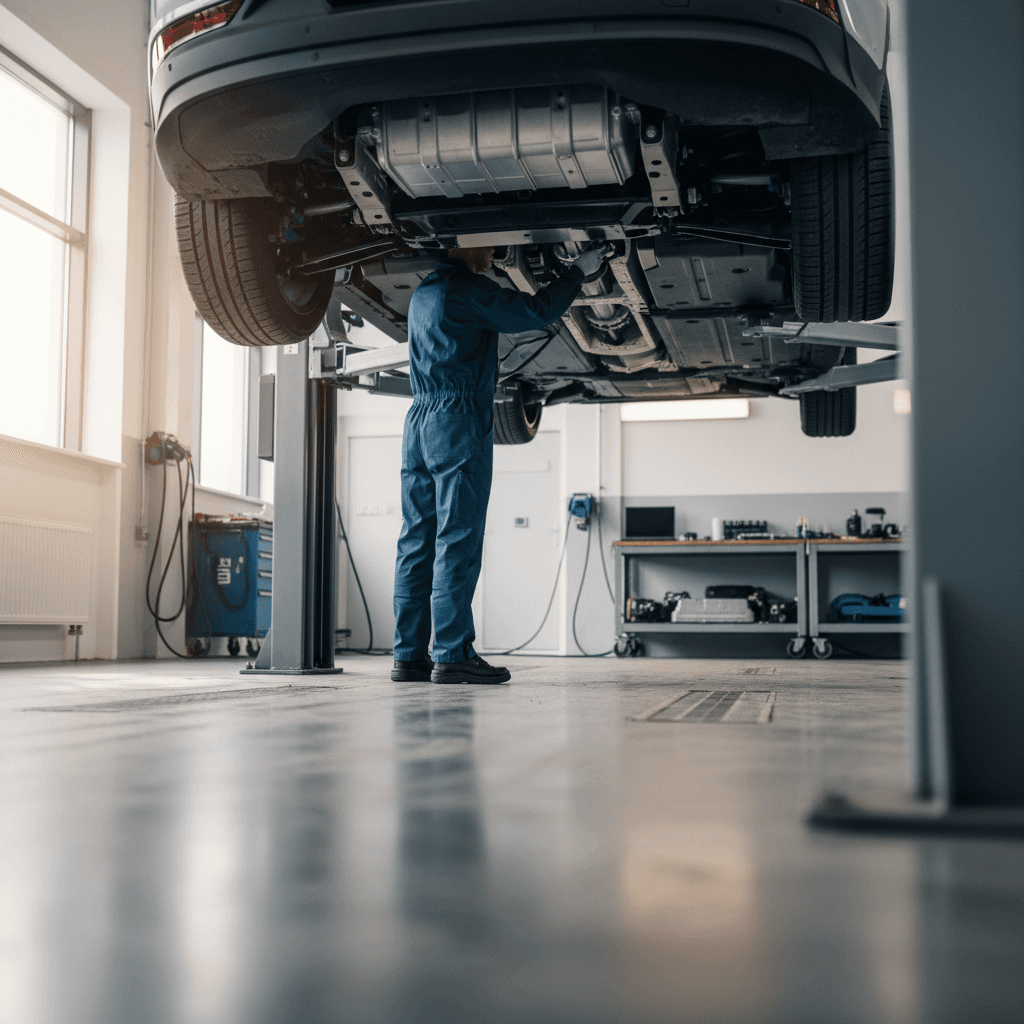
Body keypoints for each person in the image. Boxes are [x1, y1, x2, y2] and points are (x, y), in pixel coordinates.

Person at [391, 243, 610, 684]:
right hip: (456, 420)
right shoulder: (468, 290)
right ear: (461, 245)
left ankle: (408, 656)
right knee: (458, 538)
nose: (494, 249)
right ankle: (452, 654)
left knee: (416, 540)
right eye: (487, 242)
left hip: (418, 422)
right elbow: (535, 312)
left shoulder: (422, 294)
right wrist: (576, 273)